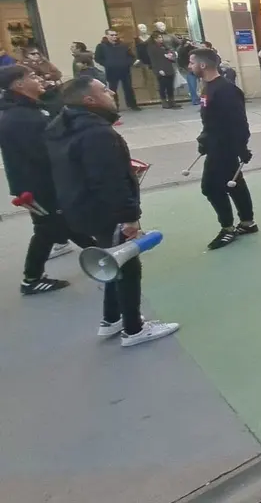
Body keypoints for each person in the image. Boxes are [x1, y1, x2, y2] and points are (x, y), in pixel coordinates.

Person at [45, 76, 180, 347]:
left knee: (111, 260)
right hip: (105, 211)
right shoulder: (97, 133)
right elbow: (108, 181)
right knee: (127, 265)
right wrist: (129, 216)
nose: (110, 92)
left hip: (82, 208)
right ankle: (134, 329)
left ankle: (111, 318)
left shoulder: (61, 128)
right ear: (89, 100)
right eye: (103, 89)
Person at [0, 65, 96, 294]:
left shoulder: (31, 109)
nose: (39, 78)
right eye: (32, 76)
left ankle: (103, 251)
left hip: (43, 182)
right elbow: (43, 153)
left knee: (62, 221)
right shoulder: (19, 117)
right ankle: (31, 279)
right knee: (48, 227)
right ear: (18, 85)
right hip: (36, 186)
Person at [191, 48, 257, 249]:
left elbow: (238, 122)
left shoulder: (226, 90)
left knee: (210, 187)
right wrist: (204, 140)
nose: (189, 66)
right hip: (214, 144)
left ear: (203, 65)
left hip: (225, 147)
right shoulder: (207, 88)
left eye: (192, 62)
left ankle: (227, 229)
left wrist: (241, 148)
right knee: (234, 183)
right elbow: (211, 121)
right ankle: (247, 222)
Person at [94, 29, 140, 111]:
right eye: (112, 35)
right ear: (107, 36)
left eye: (115, 35)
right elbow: (97, 58)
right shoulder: (101, 46)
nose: (114, 37)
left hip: (125, 70)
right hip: (111, 70)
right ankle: (115, 106)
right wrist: (107, 64)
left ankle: (132, 104)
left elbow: (131, 56)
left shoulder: (123, 45)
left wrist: (127, 63)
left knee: (128, 88)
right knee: (113, 89)